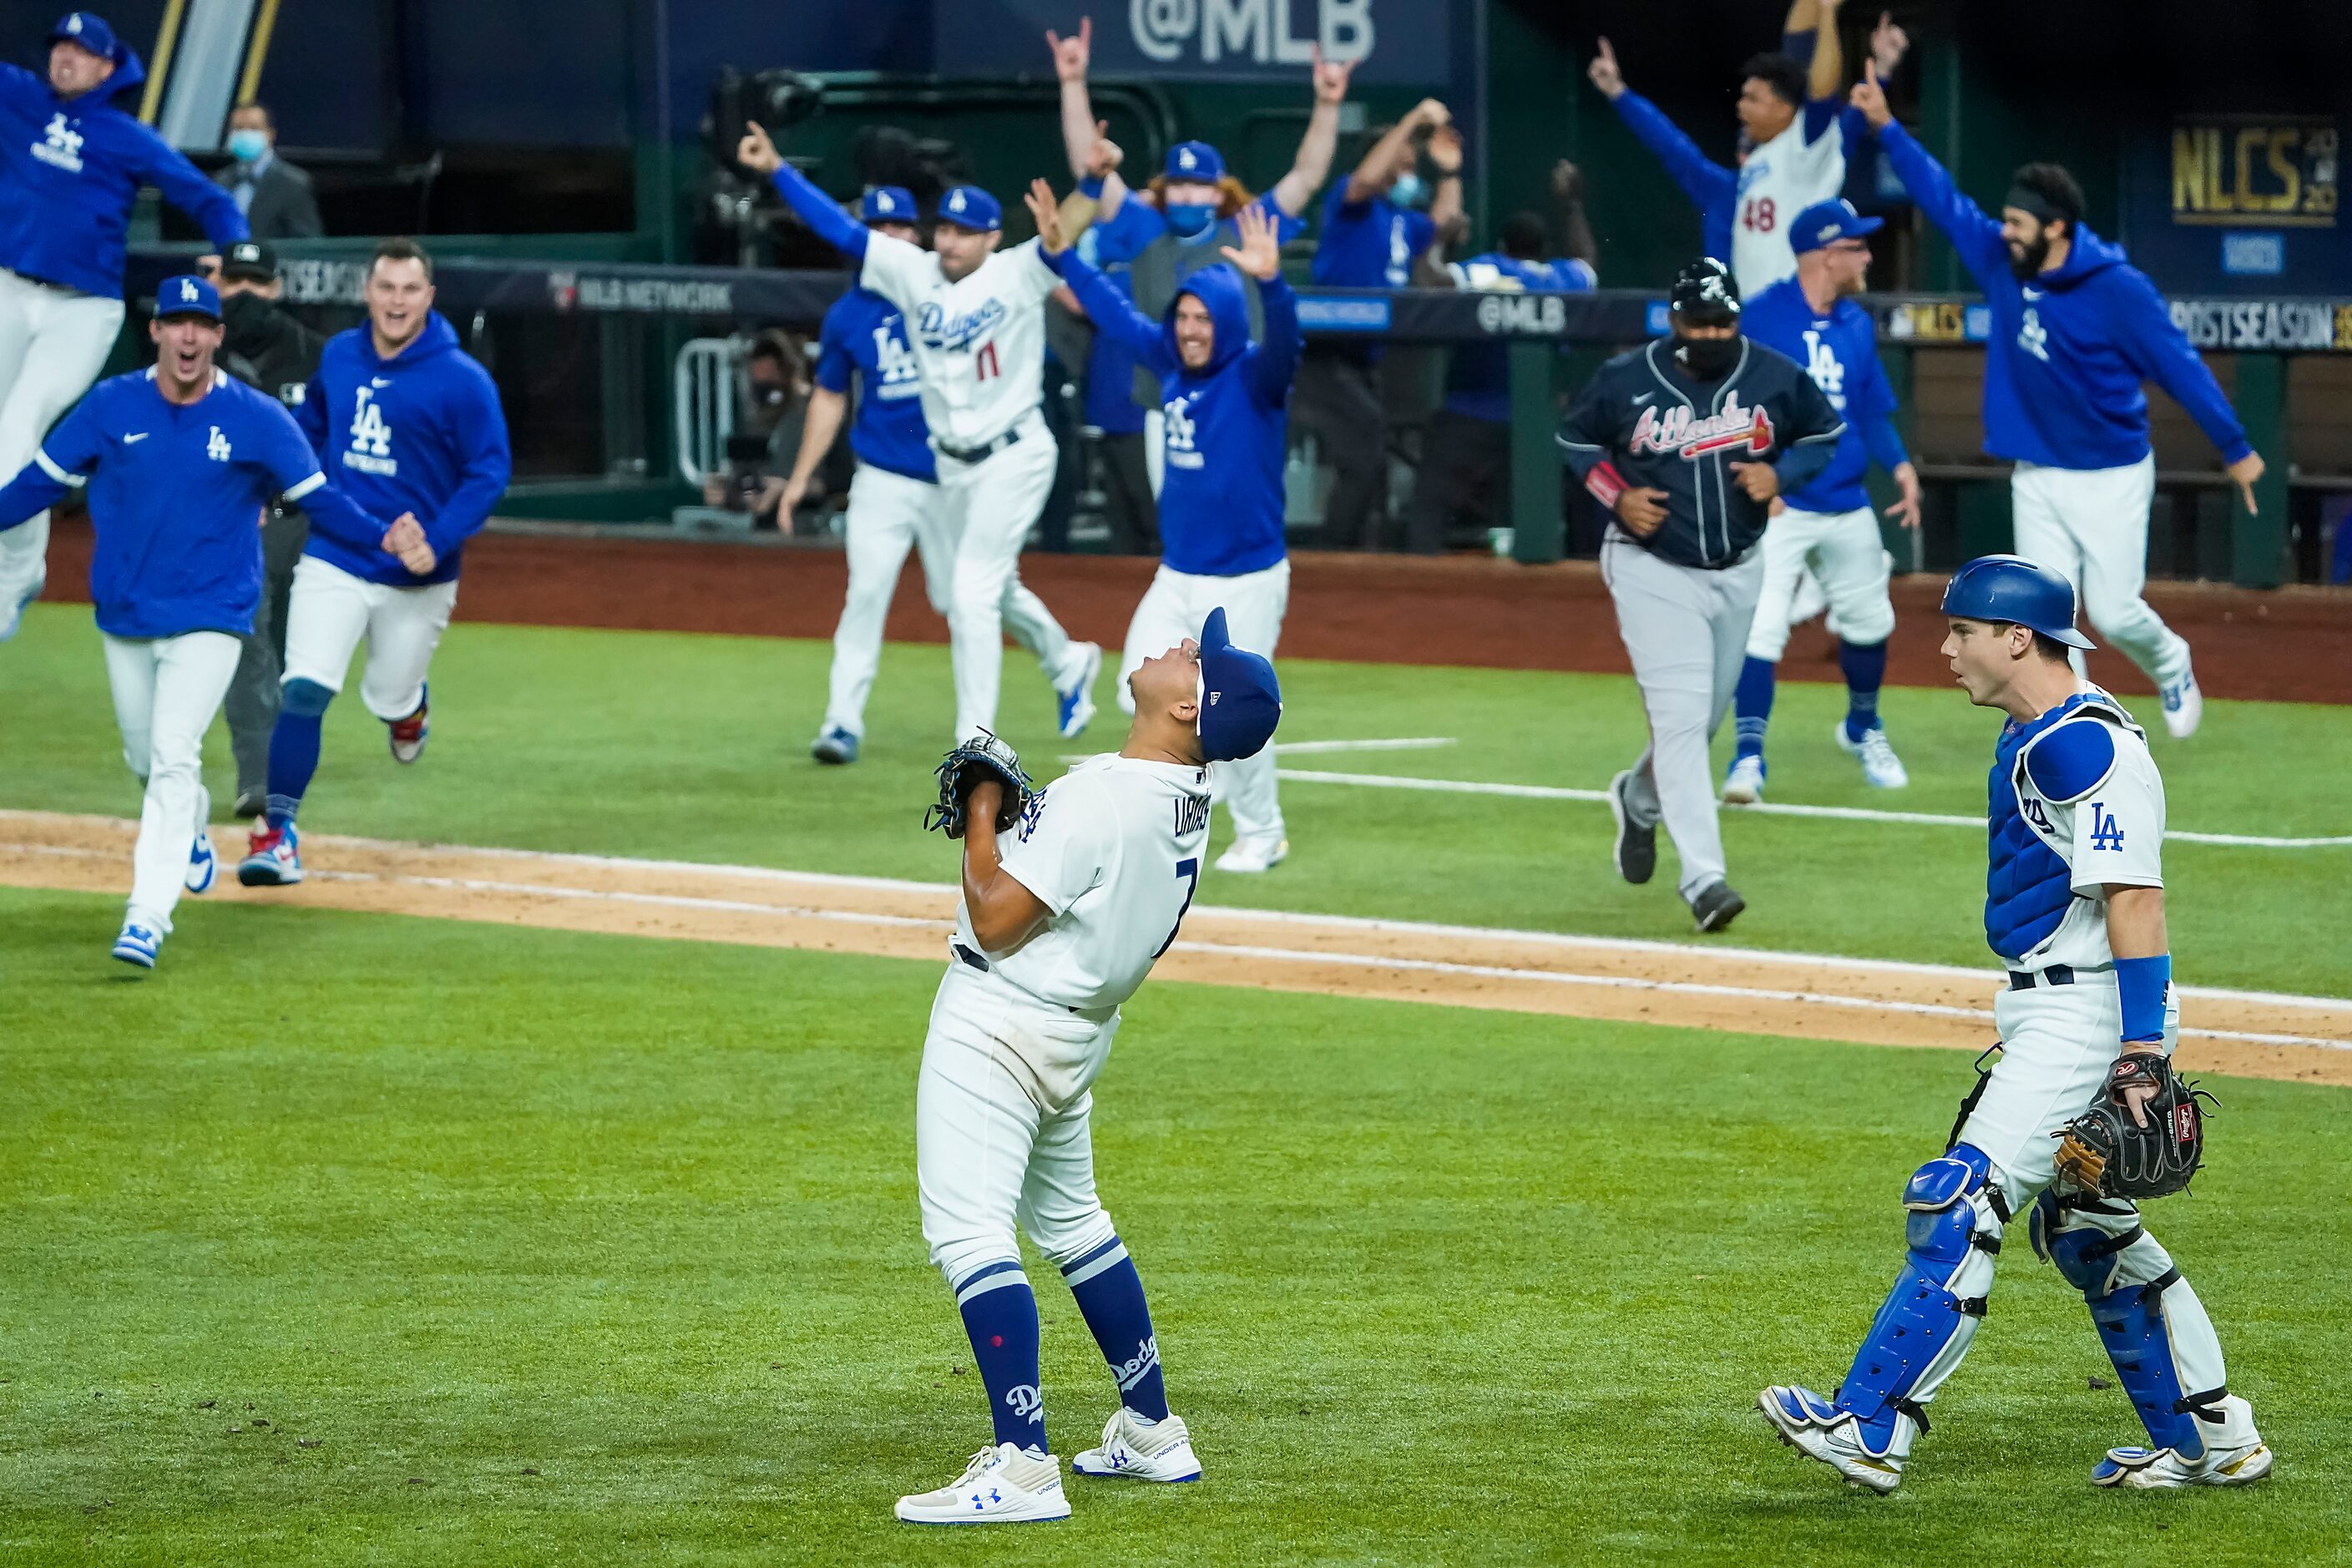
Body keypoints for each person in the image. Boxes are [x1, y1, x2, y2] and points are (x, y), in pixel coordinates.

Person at [1759, 553, 2274, 1494]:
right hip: (2061, 1002)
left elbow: (2136, 899)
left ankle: (1869, 1426)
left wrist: (2141, 1056)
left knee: (1958, 1205)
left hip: (2087, 1011)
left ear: (2016, 638)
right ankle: (2213, 1439)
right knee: (2088, 1230)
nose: (1946, 648)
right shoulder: (2040, 731)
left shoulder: (2083, 744)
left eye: (1960, 630)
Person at [893, 607, 1281, 1525]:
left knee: (968, 1232)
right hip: (1074, 1035)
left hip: (999, 1022)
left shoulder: (1105, 801)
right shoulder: (1179, 795)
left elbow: (993, 916)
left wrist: (982, 813)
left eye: (1198, 657)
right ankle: (1150, 1426)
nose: (1182, 645)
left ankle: (1022, 1463)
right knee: (1074, 1223)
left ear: (1190, 708)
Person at [1852, 64, 2264, 740]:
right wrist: (1887, 129)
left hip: (2109, 471)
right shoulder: (1999, 261)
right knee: (2050, 613)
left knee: (2115, 609)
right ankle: (2076, 729)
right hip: (2037, 472)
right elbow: (1942, 198)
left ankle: (2171, 661)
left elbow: (2178, 366)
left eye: (2018, 223)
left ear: (2057, 228)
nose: (2004, 230)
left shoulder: (2115, 287)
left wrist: (2236, 447)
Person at [0, 276, 384, 966]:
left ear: (216, 336)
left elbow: (319, 500)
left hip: (214, 612)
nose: (186, 336)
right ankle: (193, 828)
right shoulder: (113, 404)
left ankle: (146, 916)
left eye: (199, 325)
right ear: (155, 332)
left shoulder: (258, 417)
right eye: (174, 323)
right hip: (127, 611)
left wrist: (385, 541)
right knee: (145, 760)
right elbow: (40, 482)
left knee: (174, 753)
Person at [736, 123, 1105, 746]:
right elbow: (836, 226)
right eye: (944, 229)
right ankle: (1069, 662)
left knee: (971, 591)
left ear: (991, 237)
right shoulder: (910, 271)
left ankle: (976, 742)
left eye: (965, 232)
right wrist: (776, 170)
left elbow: (1060, 232)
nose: (950, 241)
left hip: (1013, 455)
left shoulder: (1017, 272)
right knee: (979, 589)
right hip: (950, 465)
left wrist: (1093, 180)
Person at [1555, 259, 1844, 931]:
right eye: (1699, 322)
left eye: (1723, 321)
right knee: (1682, 721)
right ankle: (1703, 879)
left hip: (1740, 568)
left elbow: (1822, 432)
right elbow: (1574, 437)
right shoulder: (1626, 379)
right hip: (1649, 567)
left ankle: (1638, 798)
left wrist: (1782, 474)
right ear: (1674, 318)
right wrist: (1615, 496)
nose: (1712, 333)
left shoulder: (1772, 374)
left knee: (1704, 720)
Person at [1032, 185, 1302, 874]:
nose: (1189, 330)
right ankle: (1163, 813)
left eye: (1202, 320)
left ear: (1227, 323)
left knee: (1230, 709)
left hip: (1245, 575)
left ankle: (1263, 832)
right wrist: (1064, 259)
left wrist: (1271, 285)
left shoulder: (1254, 379)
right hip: (1179, 571)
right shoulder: (1167, 359)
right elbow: (1115, 316)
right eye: (1182, 318)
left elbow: (1288, 344)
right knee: (1139, 684)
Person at [237, 238, 512, 887]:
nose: (396, 301)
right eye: (385, 287)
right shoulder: (339, 355)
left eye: (409, 289)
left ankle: (407, 707)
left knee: (388, 693)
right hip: (338, 551)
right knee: (303, 687)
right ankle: (278, 834)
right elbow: (309, 434)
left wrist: (436, 541)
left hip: (417, 575)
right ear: (368, 291)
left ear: (429, 298)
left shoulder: (462, 380)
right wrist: (271, 491)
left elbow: (488, 472)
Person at [0, 10, 250, 641]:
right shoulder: (19, 96)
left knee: (17, 425)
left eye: (81, 51)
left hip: (81, 309)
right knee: (4, 436)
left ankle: (14, 576)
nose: (66, 57)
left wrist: (235, 245)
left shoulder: (124, 134)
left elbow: (208, 197)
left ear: (108, 67)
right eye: (59, 45)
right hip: (7, 286)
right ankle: (18, 569)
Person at [1047, 18, 1347, 496]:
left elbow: (1306, 178)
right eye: (1179, 186)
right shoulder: (1145, 230)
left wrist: (1329, 106)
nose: (1187, 196)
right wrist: (1073, 84)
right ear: (1166, 191)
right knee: (1179, 526)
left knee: (1238, 512)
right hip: (1165, 403)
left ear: (1216, 192)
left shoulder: (1245, 228)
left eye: (1199, 187)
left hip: (1237, 401)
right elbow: (1093, 169)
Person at [1725, 198, 1921, 803]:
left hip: (1845, 501)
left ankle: (1863, 726)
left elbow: (1868, 410)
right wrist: (1759, 481)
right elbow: (1731, 409)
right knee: (1758, 631)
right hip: (1782, 505)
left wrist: (1900, 466)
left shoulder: (1856, 324)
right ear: (1827, 254)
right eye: (1857, 247)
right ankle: (1747, 760)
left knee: (1868, 624)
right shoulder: (1760, 318)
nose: (1867, 256)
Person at [1586, 3, 1909, 297]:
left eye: (1753, 98)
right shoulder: (1735, 184)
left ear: (1785, 109)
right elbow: (1672, 147)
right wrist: (1619, 93)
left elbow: (1821, 90)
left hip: (1796, 312)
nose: (1741, 107)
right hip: (1747, 323)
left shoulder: (1804, 145)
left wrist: (1827, 13)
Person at [1292, 99, 1463, 550]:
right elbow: (1368, 177)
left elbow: (1444, 223)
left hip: (1366, 360)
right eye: (1404, 161)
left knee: (1370, 463)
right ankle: (1332, 558)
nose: (1410, 171)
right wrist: (1411, 121)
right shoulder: (1351, 203)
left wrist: (1448, 171)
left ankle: (1346, 555)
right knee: (1366, 458)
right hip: (1325, 354)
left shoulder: (1398, 219)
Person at [207, 240, 328, 819]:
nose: (248, 294)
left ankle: (285, 761)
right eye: (237, 283)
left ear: (276, 288)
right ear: (220, 285)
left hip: (305, 526)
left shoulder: (314, 353)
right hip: (237, 528)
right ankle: (257, 778)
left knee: (295, 657)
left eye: (258, 282)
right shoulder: (198, 352)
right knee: (250, 649)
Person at [1404, 205, 1596, 554]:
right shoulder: (1561, 278)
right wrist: (1572, 203)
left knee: (1430, 507)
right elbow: (1587, 260)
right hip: (1537, 427)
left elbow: (1428, 281)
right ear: (1544, 248)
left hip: (1469, 416)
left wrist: (1441, 239)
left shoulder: (1488, 270)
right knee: (1534, 516)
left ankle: (1414, 583)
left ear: (1502, 243)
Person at [212, 101, 323, 240]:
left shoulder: (294, 183)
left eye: (254, 128)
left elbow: (307, 242)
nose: (246, 134)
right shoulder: (220, 180)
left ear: (270, 134)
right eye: (238, 128)